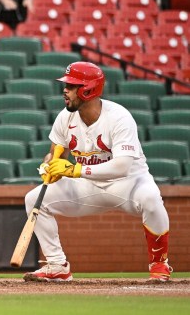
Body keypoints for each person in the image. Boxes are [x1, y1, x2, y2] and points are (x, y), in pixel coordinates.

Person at [23, 62, 172, 283]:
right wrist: (49, 166)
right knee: (34, 198)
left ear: (89, 89)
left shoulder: (119, 117)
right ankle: (57, 266)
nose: (65, 90)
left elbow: (122, 166)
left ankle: (159, 264)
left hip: (128, 183)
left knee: (151, 197)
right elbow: (55, 154)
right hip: (88, 185)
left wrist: (75, 169)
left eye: (72, 86)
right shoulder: (65, 117)